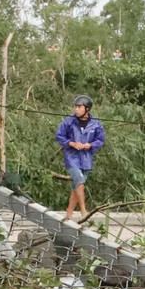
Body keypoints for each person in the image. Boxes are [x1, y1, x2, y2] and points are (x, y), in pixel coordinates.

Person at [56, 93, 105, 221]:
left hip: (86, 158)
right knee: (79, 180)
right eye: (75, 107)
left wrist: (90, 145)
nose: (76, 109)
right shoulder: (69, 121)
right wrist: (72, 143)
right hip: (71, 157)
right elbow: (59, 136)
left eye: (79, 107)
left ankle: (69, 214)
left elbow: (100, 140)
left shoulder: (96, 124)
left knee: (77, 186)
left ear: (87, 109)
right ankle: (84, 211)